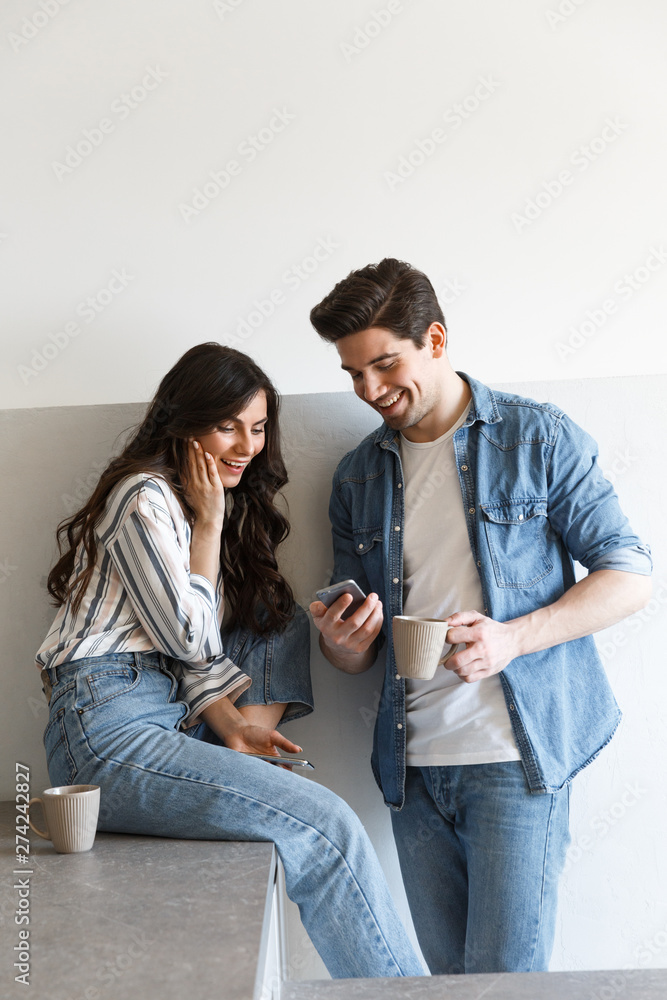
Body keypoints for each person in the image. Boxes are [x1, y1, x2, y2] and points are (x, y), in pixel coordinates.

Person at [36, 342, 424, 980]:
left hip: (161, 709)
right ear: (184, 424)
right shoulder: (145, 499)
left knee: (278, 614)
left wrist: (229, 719)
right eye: (227, 426)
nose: (246, 445)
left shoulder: (187, 503)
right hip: (104, 729)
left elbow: (189, 654)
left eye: (259, 427)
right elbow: (189, 641)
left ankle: (237, 748)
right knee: (326, 825)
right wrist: (210, 527)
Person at [308, 259, 652, 975]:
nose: (369, 391)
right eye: (351, 374)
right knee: (447, 985)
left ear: (434, 339)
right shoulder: (356, 475)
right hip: (409, 770)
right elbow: (357, 655)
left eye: (383, 364)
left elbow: (630, 576)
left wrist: (511, 638)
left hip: (514, 758)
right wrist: (342, 645)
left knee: (506, 983)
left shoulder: (536, 439)